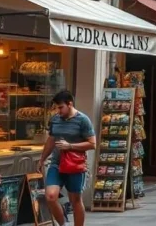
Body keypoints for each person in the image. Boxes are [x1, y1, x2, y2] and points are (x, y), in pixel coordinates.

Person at [38, 90, 95, 226]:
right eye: (56, 107)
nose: (58, 111)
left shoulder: (83, 120)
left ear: (70, 104)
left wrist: (70, 146)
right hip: (57, 163)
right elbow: (51, 140)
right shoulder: (55, 120)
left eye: (60, 107)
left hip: (75, 165)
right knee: (51, 196)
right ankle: (63, 223)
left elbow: (92, 144)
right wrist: (42, 159)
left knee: (75, 200)